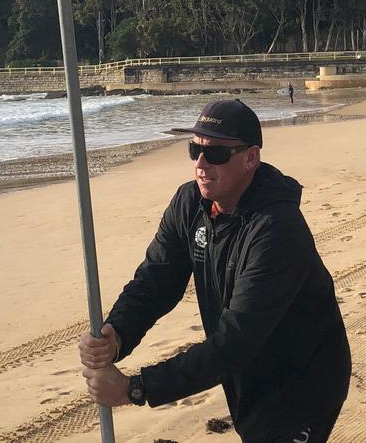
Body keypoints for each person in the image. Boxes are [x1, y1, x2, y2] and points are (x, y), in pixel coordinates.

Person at [79, 98, 351, 443]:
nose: (201, 164)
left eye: (217, 154)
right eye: (195, 149)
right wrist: (116, 334)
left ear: (251, 158)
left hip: (303, 380)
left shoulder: (277, 229)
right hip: (247, 379)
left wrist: (136, 388)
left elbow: (235, 340)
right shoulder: (189, 203)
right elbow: (155, 281)